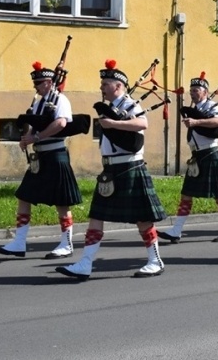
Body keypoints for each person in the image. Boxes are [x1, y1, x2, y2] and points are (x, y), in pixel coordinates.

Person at [55, 59, 167, 280]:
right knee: (96, 215)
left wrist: (114, 124)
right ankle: (85, 263)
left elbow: (142, 124)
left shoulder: (130, 105)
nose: (102, 87)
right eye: (102, 83)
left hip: (130, 167)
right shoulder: (111, 107)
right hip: (110, 170)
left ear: (118, 86)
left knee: (142, 218)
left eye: (106, 84)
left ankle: (155, 260)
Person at [0, 61, 82, 259]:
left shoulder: (61, 100)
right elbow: (35, 125)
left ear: (49, 82)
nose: (36, 87)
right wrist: (27, 138)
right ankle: (19, 242)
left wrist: (37, 137)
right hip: (40, 157)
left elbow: (60, 123)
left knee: (61, 201)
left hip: (55, 154)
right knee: (24, 196)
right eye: (35, 83)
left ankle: (66, 243)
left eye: (39, 83)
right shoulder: (39, 103)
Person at [158, 71, 218, 244]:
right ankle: (176, 230)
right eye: (191, 90)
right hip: (196, 156)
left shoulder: (212, 106)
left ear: (205, 92)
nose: (192, 93)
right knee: (186, 194)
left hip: (210, 154)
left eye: (196, 90)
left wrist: (196, 122)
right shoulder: (196, 109)